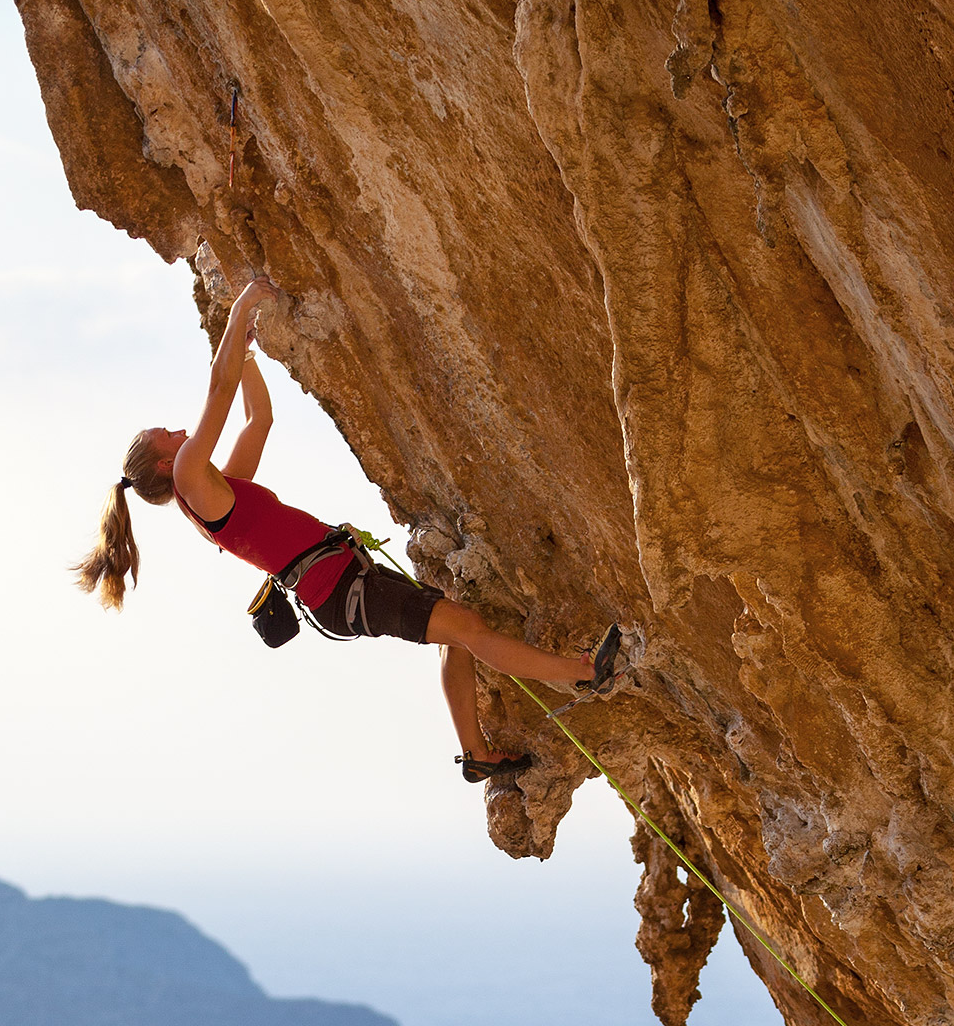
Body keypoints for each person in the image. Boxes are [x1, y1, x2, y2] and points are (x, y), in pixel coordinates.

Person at [75, 274, 621, 782]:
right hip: (343, 591)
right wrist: (237, 309)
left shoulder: (216, 492)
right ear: (164, 466)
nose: (177, 429)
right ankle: (581, 672)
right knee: (469, 630)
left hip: (344, 585)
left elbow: (257, 421)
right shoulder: (193, 481)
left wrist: (245, 355)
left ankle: (477, 757)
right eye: (166, 435)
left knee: (458, 630)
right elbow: (218, 395)